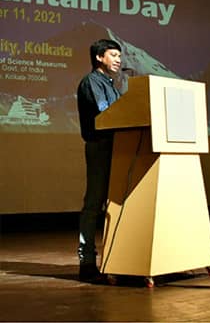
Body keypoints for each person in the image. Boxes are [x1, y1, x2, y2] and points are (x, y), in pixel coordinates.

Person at [76, 39, 122, 282]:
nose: (118, 59)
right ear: (98, 57)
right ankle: (87, 263)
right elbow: (106, 114)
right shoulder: (92, 82)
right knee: (94, 202)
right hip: (100, 147)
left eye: (119, 55)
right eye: (113, 54)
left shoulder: (111, 83)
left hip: (118, 148)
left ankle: (119, 259)